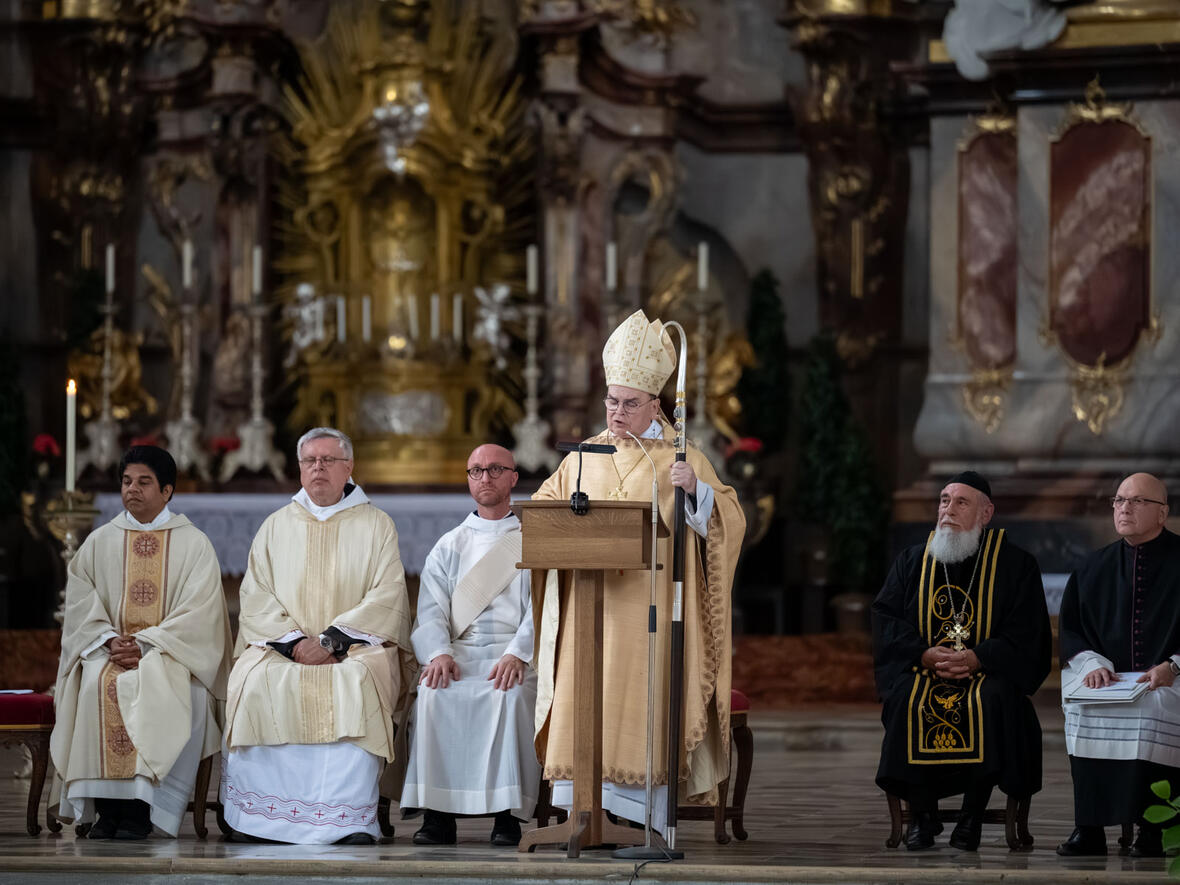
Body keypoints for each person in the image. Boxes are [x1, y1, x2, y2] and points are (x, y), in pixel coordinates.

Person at [532, 309, 746, 833]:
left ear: (655, 403)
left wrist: (695, 491)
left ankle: (637, 813)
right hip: (590, 605)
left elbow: (727, 520)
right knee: (586, 696)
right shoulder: (584, 455)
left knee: (640, 701)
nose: (618, 411)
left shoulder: (682, 455)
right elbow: (541, 510)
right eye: (612, 401)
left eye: (630, 403)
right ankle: (584, 809)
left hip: (649, 610)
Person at [220, 427, 415, 844]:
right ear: (300, 468)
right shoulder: (276, 526)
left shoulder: (376, 525)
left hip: (356, 648)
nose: (318, 468)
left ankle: (347, 822)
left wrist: (330, 642)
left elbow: (387, 594)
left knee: (358, 683)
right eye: (310, 461)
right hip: (285, 649)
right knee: (255, 680)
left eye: (328, 460)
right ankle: (257, 820)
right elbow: (255, 595)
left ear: (349, 468)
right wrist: (293, 644)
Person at [50, 445, 231, 839]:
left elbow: (201, 616)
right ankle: (107, 812)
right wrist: (109, 639)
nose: (133, 489)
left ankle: (138, 811)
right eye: (127, 481)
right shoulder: (100, 541)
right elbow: (82, 603)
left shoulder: (194, 544)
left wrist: (146, 644)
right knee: (98, 682)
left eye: (144, 482)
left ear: (167, 491)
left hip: (168, 653)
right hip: (108, 649)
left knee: (151, 684)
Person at [872, 471, 1051, 851]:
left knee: (993, 701)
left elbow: (1027, 632)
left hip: (988, 671)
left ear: (986, 514)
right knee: (906, 699)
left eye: (960, 502)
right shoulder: (913, 560)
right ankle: (922, 817)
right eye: (943, 501)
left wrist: (979, 657)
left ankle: (971, 818)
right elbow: (885, 620)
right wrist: (922, 652)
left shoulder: (1015, 564)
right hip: (925, 668)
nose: (948, 510)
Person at [400, 444, 540, 847]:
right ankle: (438, 816)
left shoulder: (532, 542)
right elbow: (430, 610)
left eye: (496, 469)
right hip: (459, 650)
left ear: (514, 477)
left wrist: (518, 653)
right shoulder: (449, 545)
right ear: (468, 479)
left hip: (513, 653)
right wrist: (439, 653)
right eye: (476, 470)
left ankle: (507, 816)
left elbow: (543, 608)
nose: (485, 478)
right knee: (433, 690)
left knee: (510, 696)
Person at [1057, 472, 1180, 858]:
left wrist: (1172, 666)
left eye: (1137, 501)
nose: (1125, 508)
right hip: (1110, 679)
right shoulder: (1093, 567)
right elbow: (1073, 628)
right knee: (1083, 708)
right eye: (1119, 500)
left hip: (1170, 678)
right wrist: (1092, 663)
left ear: (1163, 513)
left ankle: (1154, 829)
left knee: (1153, 706)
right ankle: (1089, 828)